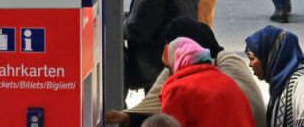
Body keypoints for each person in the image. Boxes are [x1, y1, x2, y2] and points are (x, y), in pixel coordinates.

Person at [108, 17, 265, 127]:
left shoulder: (178, 86)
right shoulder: (222, 77)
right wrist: (128, 117)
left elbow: (170, 121)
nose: (168, 70)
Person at [160, 37, 256, 127]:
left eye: (169, 67)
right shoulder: (229, 82)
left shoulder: (176, 90)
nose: (169, 75)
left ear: (178, 61)